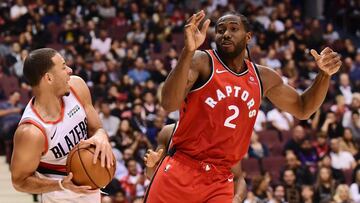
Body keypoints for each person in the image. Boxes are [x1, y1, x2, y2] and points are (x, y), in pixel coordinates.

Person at [145, 10, 342, 202]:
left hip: (220, 179)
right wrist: (188, 51)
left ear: (248, 36)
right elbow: (168, 103)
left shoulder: (263, 77)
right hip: (182, 168)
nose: (226, 34)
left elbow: (303, 108)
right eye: (220, 30)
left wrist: (324, 75)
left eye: (233, 28)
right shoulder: (202, 61)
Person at [10, 48, 114, 203]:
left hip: (92, 191)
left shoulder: (77, 86)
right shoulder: (31, 132)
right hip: (60, 198)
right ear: (49, 78)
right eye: (64, 67)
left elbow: (96, 129)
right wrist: (60, 185)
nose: (70, 70)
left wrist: (101, 135)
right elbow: (19, 181)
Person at [143, 124, 247, 202]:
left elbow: (238, 178)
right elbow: (151, 175)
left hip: (207, 193)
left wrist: (236, 199)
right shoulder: (169, 131)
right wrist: (151, 166)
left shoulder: (224, 139)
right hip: (173, 193)